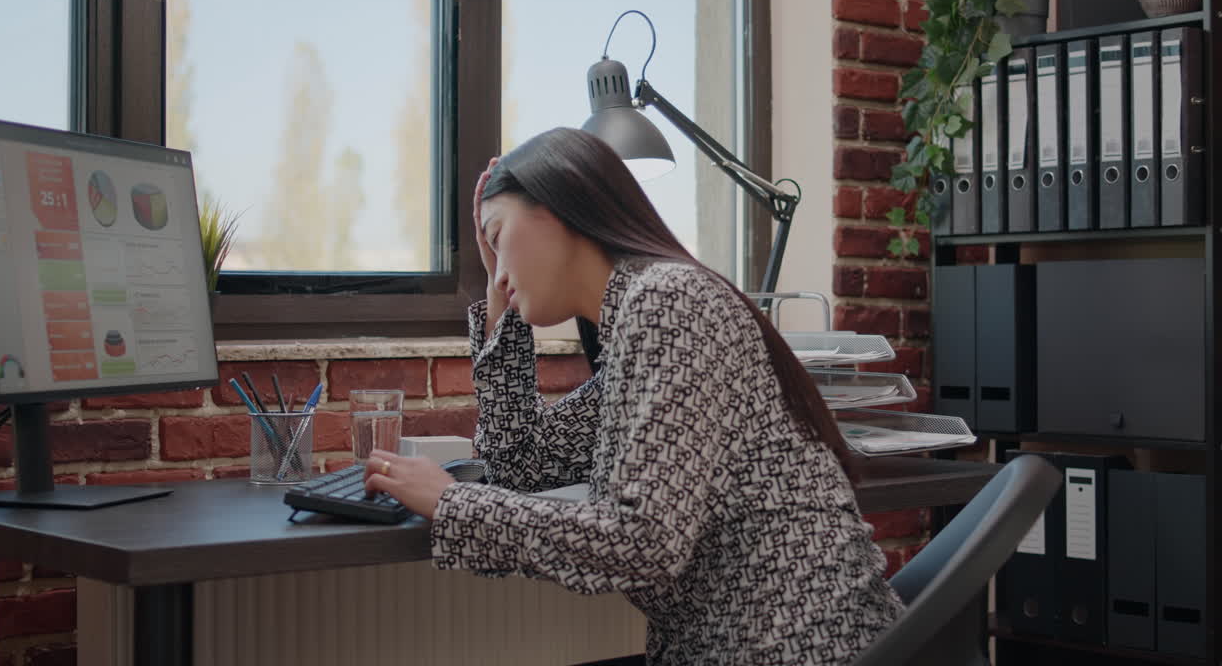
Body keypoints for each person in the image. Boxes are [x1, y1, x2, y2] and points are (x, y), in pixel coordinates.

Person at [364, 127, 904, 665]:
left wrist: (449, 502)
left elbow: (642, 544)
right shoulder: (639, 321)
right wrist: (496, 292)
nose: (500, 270)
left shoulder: (667, 303)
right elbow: (520, 466)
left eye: (498, 235)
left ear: (555, 210)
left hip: (798, 650)